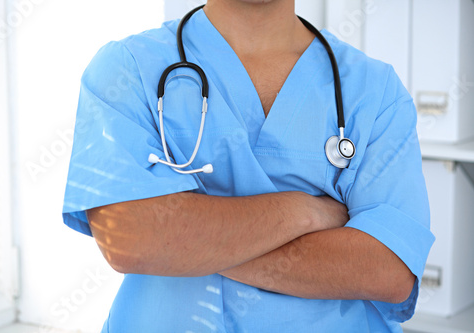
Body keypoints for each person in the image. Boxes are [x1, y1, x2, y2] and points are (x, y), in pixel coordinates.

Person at [62, 0, 435, 332]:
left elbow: (389, 268)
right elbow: (129, 238)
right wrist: (303, 211)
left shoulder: (374, 89)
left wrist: (182, 243)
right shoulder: (127, 69)